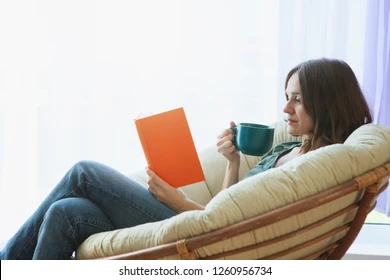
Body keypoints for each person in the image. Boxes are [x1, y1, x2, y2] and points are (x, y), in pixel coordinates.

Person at [0, 58, 372, 260]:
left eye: (298, 99)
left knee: (83, 172)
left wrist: (175, 201)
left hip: (205, 236)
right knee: (65, 211)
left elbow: (229, 228)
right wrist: (232, 162)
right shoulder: (287, 151)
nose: (285, 108)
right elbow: (233, 205)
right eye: (286, 96)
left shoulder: (315, 165)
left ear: (325, 103)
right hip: (206, 221)